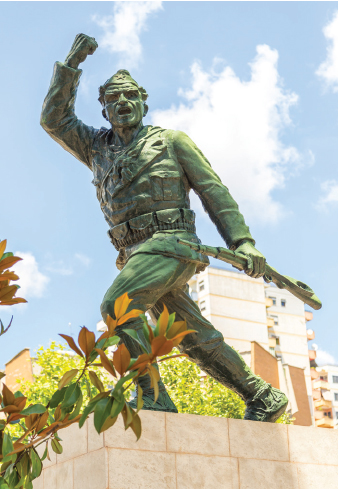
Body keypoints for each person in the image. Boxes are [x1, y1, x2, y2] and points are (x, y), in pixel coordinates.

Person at [41, 33, 288, 421]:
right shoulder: (96, 148)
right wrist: (72, 64)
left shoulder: (172, 141)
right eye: (112, 100)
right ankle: (261, 395)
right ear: (104, 112)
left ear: (143, 102)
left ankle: (154, 399)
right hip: (134, 254)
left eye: (130, 97)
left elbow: (213, 192)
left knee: (117, 308)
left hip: (172, 244)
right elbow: (54, 119)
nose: (122, 103)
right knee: (190, 335)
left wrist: (244, 242)